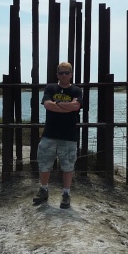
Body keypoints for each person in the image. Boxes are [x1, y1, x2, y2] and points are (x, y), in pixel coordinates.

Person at [33, 62, 83, 208]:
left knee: (68, 166)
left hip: (69, 135)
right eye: (61, 73)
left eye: (67, 72)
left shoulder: (76, 90)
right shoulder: (51, 87)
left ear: (71, 74)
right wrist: (67, 107)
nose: (64, 75)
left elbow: (76, 106)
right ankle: (43, 190)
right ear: (57, 75)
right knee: (44, 164)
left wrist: (57, 104)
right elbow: (47, 105)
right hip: (49, 134)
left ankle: (66, 194)